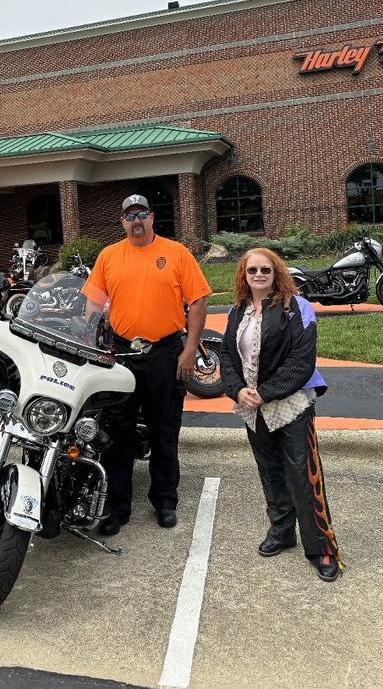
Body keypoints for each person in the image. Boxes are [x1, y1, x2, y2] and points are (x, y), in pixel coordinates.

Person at [83, 194, 211, 535]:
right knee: (118, 434)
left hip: (165, 354)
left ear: (152, 217)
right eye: (129, 216)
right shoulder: (109, 256)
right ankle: (117, 508)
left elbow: (198, 302)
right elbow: (93, 304)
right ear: (122, 222)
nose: (136, 221)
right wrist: (93, 344)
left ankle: (165, 501)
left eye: (141, 214)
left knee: (164, 431)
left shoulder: (176, 253)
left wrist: (190, 350)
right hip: (122, 355)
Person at [220, 247, 343, 582]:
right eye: (252, 270)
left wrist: (266, 392)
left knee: (303, 477)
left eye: (266, 270)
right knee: (271, 474)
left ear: (276, 273)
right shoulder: (237, 310)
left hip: (291, 406)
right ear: (244, 275)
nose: (259, 275)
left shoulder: (297, 307)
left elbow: (302, 361)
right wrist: (237, 390)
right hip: (252, 408)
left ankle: (322, 548)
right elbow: (227, 356)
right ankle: (282, 530)